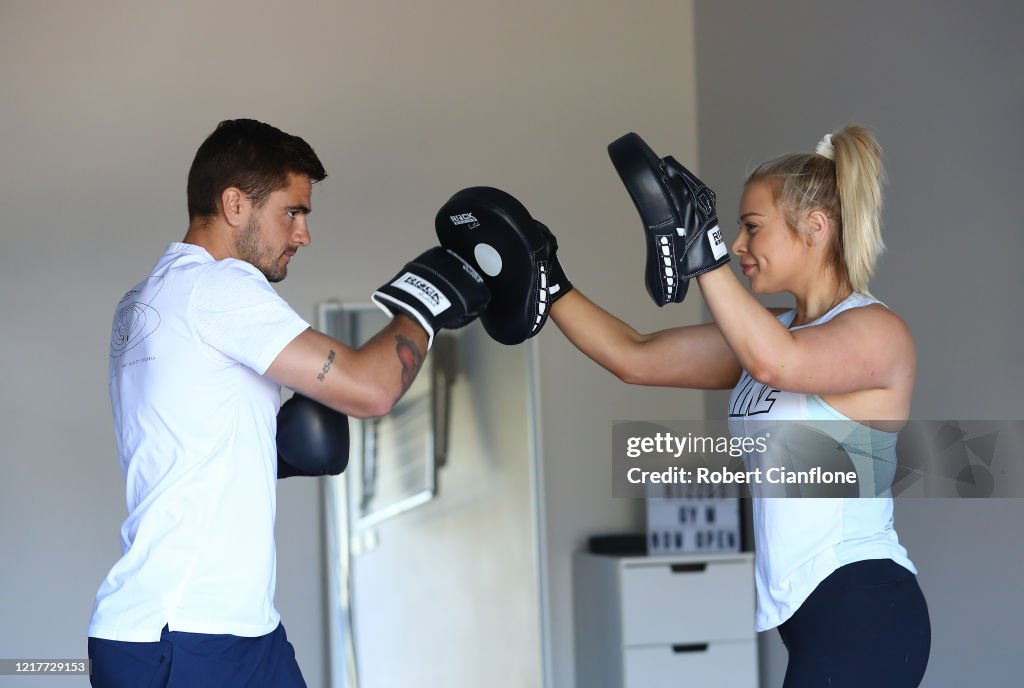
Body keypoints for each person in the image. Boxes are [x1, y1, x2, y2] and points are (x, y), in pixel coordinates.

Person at [88, 119, 490, 687]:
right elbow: (370, 389)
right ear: (234, 204)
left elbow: (181, 445)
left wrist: (269, 449)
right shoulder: (219, 288)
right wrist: (424, 304)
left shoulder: (146, 300)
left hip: (235, 628)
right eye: (292, 212)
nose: (302, 234)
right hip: (186, 632)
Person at [544, 126, 931, 686]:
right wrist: (547, 279)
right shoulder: (771, 332)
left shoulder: (877, 331)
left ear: (815, 229)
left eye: (751, 228)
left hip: (864, 603)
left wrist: (704, 254)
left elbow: (779, 364)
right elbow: (636, 356)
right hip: (810, 619)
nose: (739, 246)